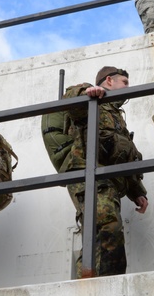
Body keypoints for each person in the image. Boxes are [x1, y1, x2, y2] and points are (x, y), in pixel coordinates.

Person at [61, 66, 148, 276]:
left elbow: (124, 153)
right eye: (124, 82)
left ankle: (108, 283)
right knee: (106, 227)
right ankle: (96, 283)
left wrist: (137, 190)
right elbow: (70, 97)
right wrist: (88, 93)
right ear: (109, 81)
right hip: (89, 178)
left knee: (106, 230)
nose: (128, 87)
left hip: (110, 183)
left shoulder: (117, 116)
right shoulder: (94, 102)